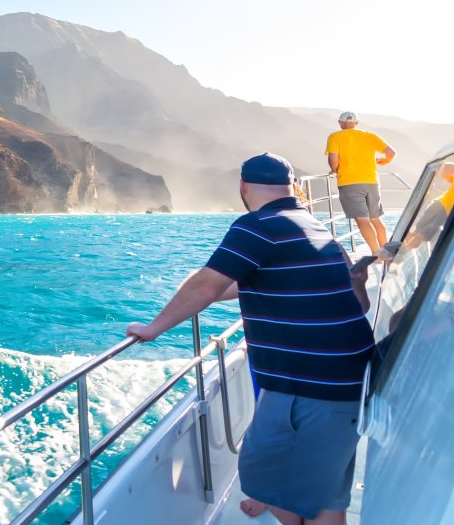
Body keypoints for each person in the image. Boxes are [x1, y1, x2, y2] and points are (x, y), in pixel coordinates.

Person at [126, 153, 372, 525]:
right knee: (325, 494)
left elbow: (207, 285)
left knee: (265, 479)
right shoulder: (314, 226)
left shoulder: (257, 226)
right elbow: (355, 300)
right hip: (350, 378)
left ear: (243, 187)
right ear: (292, 188)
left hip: (310, 387)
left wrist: (153, 328)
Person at [325, 111, 395, 253]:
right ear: (356, 123)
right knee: (375, 218)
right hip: (372, 182)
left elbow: (333, 159)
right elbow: (391, 153)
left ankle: (377, 254)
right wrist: (383, 161)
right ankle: (386, 251)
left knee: (363, 220)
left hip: (349, 182)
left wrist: (334, 170)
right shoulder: (370, 136)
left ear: (340, 123)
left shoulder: (335, 137)